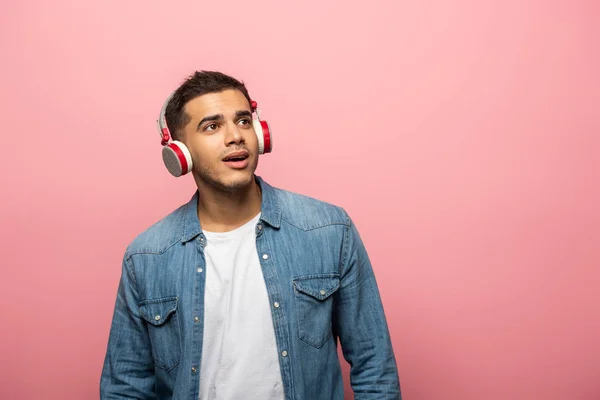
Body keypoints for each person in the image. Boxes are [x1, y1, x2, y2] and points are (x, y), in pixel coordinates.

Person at [100, 70, 401, 399]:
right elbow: (125, 386)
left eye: (243, 121)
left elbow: (375, 366)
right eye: (212, 126)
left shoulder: (328, 230)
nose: (235, 136)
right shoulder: (147, 257)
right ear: (179, 152)